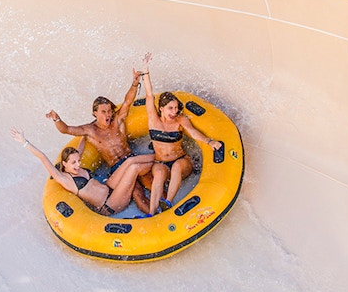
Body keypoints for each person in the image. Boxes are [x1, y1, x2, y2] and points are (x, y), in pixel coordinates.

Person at [46, 67, 155, 213]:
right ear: (95, 113)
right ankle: (153, 216)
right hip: (117, 169)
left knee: (151, 182)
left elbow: (128, 101)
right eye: (104, 111)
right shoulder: (90, 131)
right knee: (137, 192)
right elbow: (66, 129)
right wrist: (56, 119)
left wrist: (135, 83)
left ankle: (166, 205)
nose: (108, 114)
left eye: (109, 110)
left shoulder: (117, 121)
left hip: (131, 158)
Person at [140, 53, 222, 214]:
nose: (174, 111)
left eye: (176, 108)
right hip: (161, 162)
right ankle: (151, 212)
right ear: (161, 108)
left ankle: (168, 202)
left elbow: (193, 132)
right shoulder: (153, 119)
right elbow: (149, 94)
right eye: (170, 108)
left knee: (176, 166)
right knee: (158, 173)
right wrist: (145, 70)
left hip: (181, 162)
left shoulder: (180, 120)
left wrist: (209, 142)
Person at [11, 128, 145, 216]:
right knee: (134, 168)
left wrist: (85, 134)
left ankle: (158, 159)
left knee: (131, 161)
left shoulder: (76, 165)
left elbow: (80, 149)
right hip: (110, 204)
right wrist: (24, 142)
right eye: (73, 163)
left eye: (78, 161)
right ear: (64, 164)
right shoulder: (64, 178)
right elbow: (43, 157)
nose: (78, 164)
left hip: (109, 187)